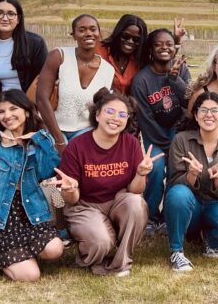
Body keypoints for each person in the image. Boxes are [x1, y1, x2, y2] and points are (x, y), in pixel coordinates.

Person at [0, 89, 65, 281]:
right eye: (1, 112)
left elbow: (48, 173)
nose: (7, 116)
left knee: (55, 249)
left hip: (29, 212)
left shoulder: (37, 142)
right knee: (30, 276)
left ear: (26, 111)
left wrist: (39, 139)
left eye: (13, 109)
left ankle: (20, 255)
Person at [53, 89, 159, 277]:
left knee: (136, 203)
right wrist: (70, 189)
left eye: (122, 114)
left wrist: (141, 174)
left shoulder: (131, 143)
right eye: (110, 112)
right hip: (84, 205)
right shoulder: (77, 146)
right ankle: (96, 249)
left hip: (117, 200)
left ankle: (122, 262)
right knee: (101, 242)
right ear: (97, 114)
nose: (115, 118)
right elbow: (71, 200)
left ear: (127, 119)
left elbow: (135, 190)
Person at [164, 92, 218, 271]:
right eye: (203, 110)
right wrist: (191, 175)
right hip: (190, 204)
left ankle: (209, 240)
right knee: (178, 193)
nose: (208, 115)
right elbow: (173, 183)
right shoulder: (181, 140)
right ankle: (177, 251)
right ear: (196, 116)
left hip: (216, 204)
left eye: (214, 111)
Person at [131, 28, 190, 234]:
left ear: (174, 48)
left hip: (178, 133)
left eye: (169, 44)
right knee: (155, 170)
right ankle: (151, 216)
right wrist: (164, 144)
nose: (164, 48)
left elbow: (188, 102)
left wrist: (176, 80)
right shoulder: (141, 80)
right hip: (154, 136)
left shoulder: (180, 69)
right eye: (158, 44)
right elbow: (145, 117)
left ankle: (168, 217)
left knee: (177, 172)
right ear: (150, 49)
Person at [36, 14, 115, 159]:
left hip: (84, 130)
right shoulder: (59, 56)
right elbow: (41, 99)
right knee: (54, 165)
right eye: (82, 30)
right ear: (74, 35)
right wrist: (59, 141)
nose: (88, 33)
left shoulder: (108, 70)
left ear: (99, 34)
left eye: (93, 29)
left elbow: (101, 107)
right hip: (52, 127)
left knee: (79, 170)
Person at [0, 0, 48, 122]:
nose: (5, 18)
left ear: (18, 18)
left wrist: (31, 108)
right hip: (1, 106)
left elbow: (44, 81)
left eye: (11, 14)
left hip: (30, 105)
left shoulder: (35, 43)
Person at [96, 14, 147, 95]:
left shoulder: (141, 59)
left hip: (128, 106)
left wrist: (174, 42)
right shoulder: (99, 51)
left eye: (136, 39)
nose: (130, 41)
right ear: (118, 33)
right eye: (125, 36)